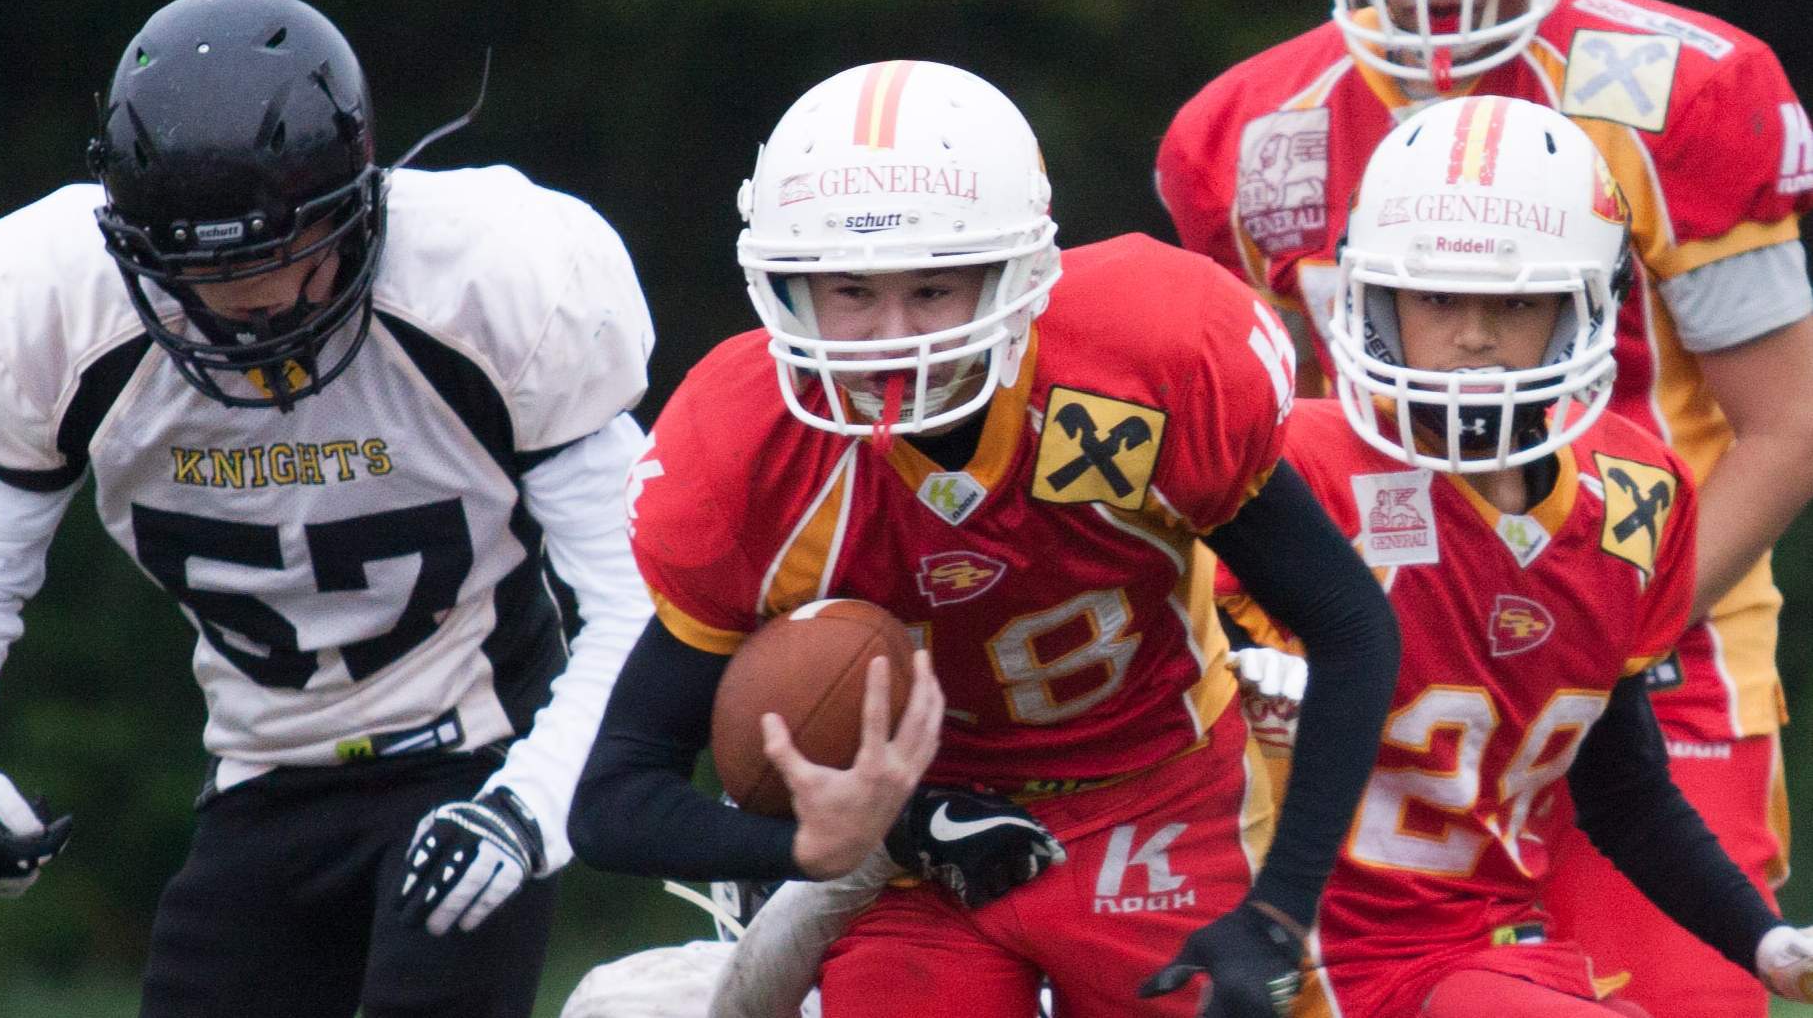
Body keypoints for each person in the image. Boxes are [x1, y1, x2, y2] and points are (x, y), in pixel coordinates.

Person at [570, 58, 1401, 1018]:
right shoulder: (746, 452)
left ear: (1019, 275)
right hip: (920, 853)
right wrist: (826, 841)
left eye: (933, 290)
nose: (892, 336)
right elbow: (613, 799)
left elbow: (1349, 623)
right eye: (850, 291)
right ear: (786, 289)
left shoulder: (1139, 366)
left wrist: (1278, 912)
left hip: (1156, 795)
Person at [1154, 0, 1813, 1011]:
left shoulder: (1677, 93)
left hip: (1650, 642)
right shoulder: (1248, 132)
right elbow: (1252, 453)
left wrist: (1595, 630)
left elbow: (1789, 422)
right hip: (1376, 645)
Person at [0, 0, 657, 1017]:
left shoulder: (490, 281)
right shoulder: (45, 306)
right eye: (198, 269)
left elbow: (643, 601)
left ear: (358, 202)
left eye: (275, 251)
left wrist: (527, 807)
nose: (245, 300)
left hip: (473, 749)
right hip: (260, 766)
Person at [1214, 95, 1813, 1017]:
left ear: (1585, 310)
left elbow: (1622, 793)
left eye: (1517, 301)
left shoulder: (1633, 492)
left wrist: (1762, 941)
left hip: (1459, 953)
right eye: (1435, 296)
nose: (1472, 337)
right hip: (1258, 938)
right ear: (1375, 298)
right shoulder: (1295, 465)